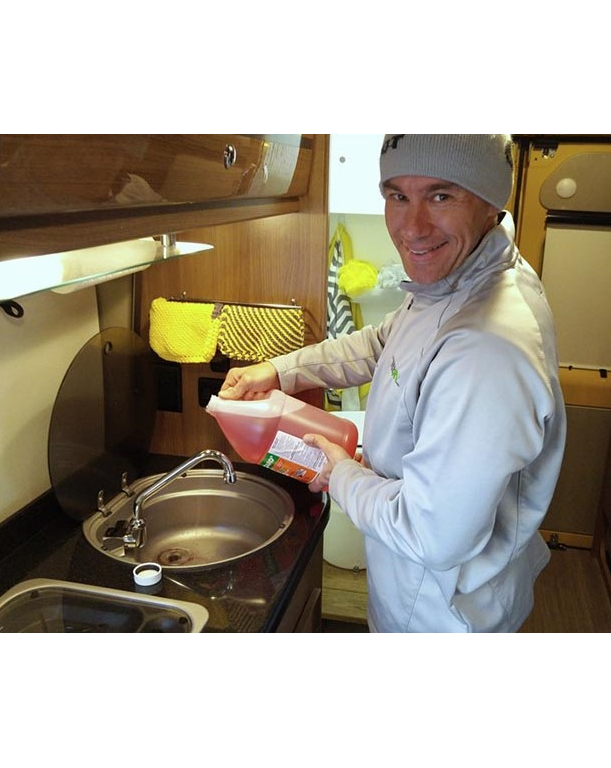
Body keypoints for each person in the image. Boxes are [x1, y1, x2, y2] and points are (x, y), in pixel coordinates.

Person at [219, 134, 566, 632]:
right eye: (397, 195)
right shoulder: (456, 277)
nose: (412, 226)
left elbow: (433, 533)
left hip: (440, 615)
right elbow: (383, 343)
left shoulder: (486, 350)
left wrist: (340, 474)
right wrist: (278, 371)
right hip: (417, 590)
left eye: (442, 195)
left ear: (492, 201)